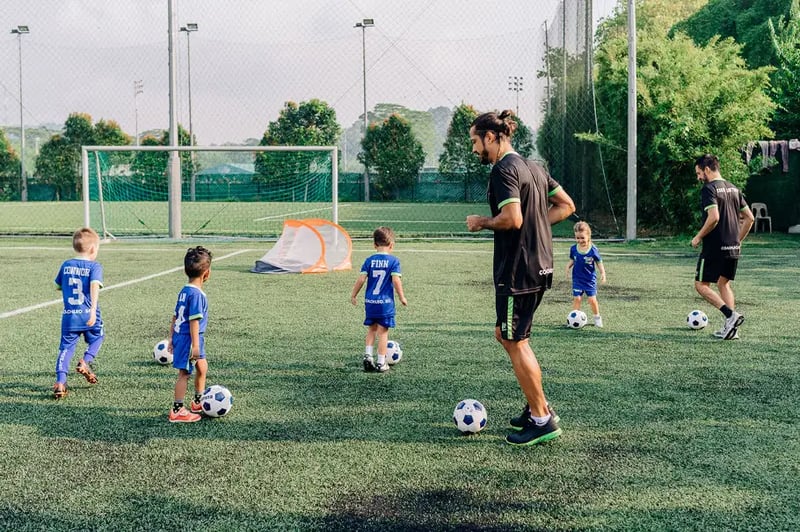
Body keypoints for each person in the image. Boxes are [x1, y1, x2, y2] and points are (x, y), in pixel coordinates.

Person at [466, 109, 575, 446]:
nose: (473, 149)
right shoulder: (534, 167)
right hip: (539, 265)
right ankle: (534, 407)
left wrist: (482, 222)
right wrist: (536, 223)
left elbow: (512, 218)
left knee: (516, 340)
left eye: (474, 141)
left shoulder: (504, 169)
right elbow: (566, 205)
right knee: (506, 333)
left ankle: (542, 418)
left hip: (518, 270)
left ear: (491, 137)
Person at [691, 154, 754, 340]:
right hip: (732, 248)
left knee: (701, 285)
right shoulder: (734, 189)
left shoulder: (709, 189)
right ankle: (731, 329)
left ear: (707, 169)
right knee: (723, 283)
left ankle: (730, 315)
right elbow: (750, 218)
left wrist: (698, 237)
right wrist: (738, 241)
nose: (699, 177)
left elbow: (714, 217)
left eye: (699, 173)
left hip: (715, 246)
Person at [53, 227, 105, 399]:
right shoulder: (94, 266)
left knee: (66, 348)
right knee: (97, 337)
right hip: (89, 314)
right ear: (92, 249)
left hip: (69, 316)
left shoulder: (66, 265)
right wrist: (91, 311)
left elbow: (59, 286)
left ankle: (60, 382)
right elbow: (94, 286)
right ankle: (85, 361)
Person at [350, 226, 408, 373]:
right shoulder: (394, 261)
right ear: (391, 245)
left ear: (374, 244)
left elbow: (361, 279)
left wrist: (354, 295)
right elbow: (396, 281)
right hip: (385, 304)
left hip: (370, 302)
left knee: (371, 329)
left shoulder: (369, 260)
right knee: (383, 332)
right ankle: (382, 363)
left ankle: (368, 356)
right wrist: (402, 297)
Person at [167, 246, 213, 422]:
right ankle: (177, 410)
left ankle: (198, 401)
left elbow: (175, 316)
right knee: (184, 374)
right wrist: (195, 346)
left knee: (202, 367)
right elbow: (194, 321)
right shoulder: (197, 295)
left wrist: (171, 337)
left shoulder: (185, 290)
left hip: (184, 337)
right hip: (189, 339)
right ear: (207, 273)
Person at [566, 221, 607, 327]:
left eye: (582, 238)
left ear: (588, 236)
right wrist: (567, 267)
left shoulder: (593, 250)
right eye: (577, 238)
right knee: (577, 298)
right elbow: (572, 260)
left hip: (589, 279)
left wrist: (603, 273)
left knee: (592, 300)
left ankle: (597, 318)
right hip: (577, 279)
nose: (580, 240)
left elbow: (599, 262)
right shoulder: (574, 249)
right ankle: (573, 318)